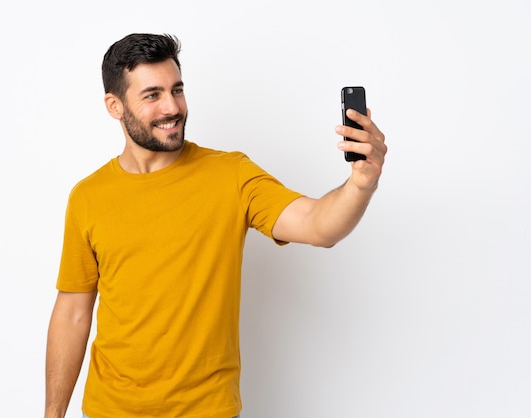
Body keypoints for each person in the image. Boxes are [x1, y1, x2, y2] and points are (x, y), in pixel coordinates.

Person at [45, 33, 387, 418]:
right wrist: (52, 413)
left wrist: (361, 183)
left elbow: (318, 226)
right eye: (152, 95)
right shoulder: (88, 197)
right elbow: (73, 311)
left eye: (177, 90)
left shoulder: (231, 174)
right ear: (114, 105)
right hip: (110, 409)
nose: (172, 107)